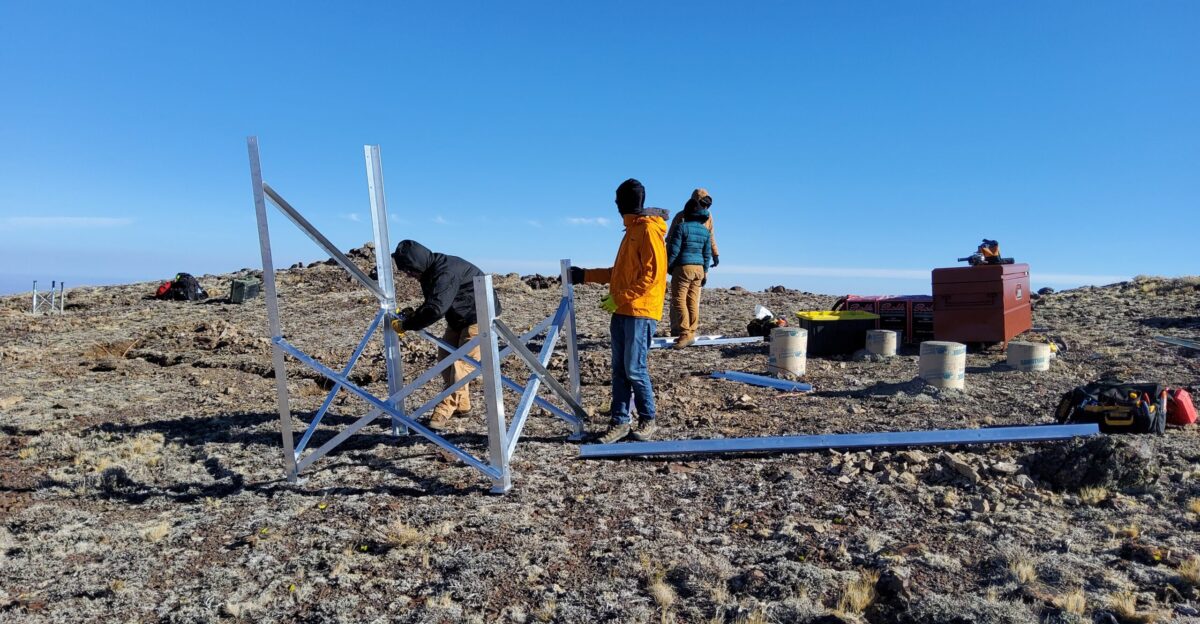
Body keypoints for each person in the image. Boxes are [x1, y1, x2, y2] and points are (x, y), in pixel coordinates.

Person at [569, 179, 668, 443]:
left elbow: (653, 277)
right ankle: (620, 422)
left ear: (624, 202)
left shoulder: (647, 230)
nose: (616, 204)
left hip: (641, 311)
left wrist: (620, 298)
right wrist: (585, 275)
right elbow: (619, 274)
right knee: (619, 370)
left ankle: (648, 420)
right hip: (624, 310)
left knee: (634, 368)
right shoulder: (631, 231)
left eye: (618, 199)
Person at [391, 240, 501, 431]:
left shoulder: (445, 271)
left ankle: (444, 409)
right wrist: (414, 315)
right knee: (445, 359)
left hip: (479, 318)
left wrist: (407, 324)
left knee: (462, 365)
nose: (408, 275)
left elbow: (435, 309)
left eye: (409, 269)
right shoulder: (430, 270)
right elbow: (435, 301)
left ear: (417, 262)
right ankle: (463, 405)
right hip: (458, 318)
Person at [666, 188, 719, 336]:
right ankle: (686, 330)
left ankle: (682, 331)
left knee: (679, 298)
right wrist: (710, 261)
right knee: (690, 299)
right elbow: (709, 239)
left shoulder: (688, 219)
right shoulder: (685, 217)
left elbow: (671, 242)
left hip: (683, 265)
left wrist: (667, 265)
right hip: (698, 266)